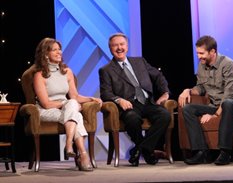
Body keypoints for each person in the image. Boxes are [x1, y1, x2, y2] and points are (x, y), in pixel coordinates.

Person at [99, 32, 171, 166]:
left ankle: (141, 149)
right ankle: (147, 151)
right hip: (129, 105)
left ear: (127, 46)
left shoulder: (139, 61)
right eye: (115, 45)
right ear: (110, 49)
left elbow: (158, 76)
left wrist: (165, 93)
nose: (119, 48)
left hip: (148, 102)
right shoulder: (106, 70)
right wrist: (119, 100)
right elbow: (105, 93)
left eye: (122, 44)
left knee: (165, 115)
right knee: (132, 119)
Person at [178, 35, 233, 165]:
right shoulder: (201, 66)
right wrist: (187, 90)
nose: (199, 56)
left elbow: (230, 94)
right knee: (188, 108)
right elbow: (201, 88)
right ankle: (202, 152)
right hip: (216, 105)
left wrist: (214, 114)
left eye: (202, 53)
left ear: (212, 51)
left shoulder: (228, 64)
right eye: (197, 53)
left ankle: (225, 153)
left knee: (227, 103)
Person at [33, 37, 102, 171]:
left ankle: (71, 146)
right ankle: (81, 153)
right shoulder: (39, 75)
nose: (59, 52)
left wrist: (91, 99)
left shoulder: (67, 72)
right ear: (46, 54)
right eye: (55, 50)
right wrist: (67, 104)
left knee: (73, 107)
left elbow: (75, 96)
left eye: (60, 49)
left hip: (65, 108)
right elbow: (46, 104)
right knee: (76, 114)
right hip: (46, 111)